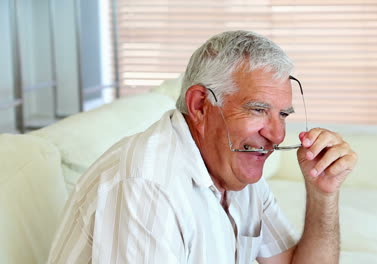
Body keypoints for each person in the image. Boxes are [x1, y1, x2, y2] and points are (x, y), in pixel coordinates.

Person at [48, 30, 357, 263]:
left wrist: (323, 194)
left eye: (283, 115)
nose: (277, 135)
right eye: (258, 109)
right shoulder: (147, 185)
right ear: (200, 106)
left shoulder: (238, 167)